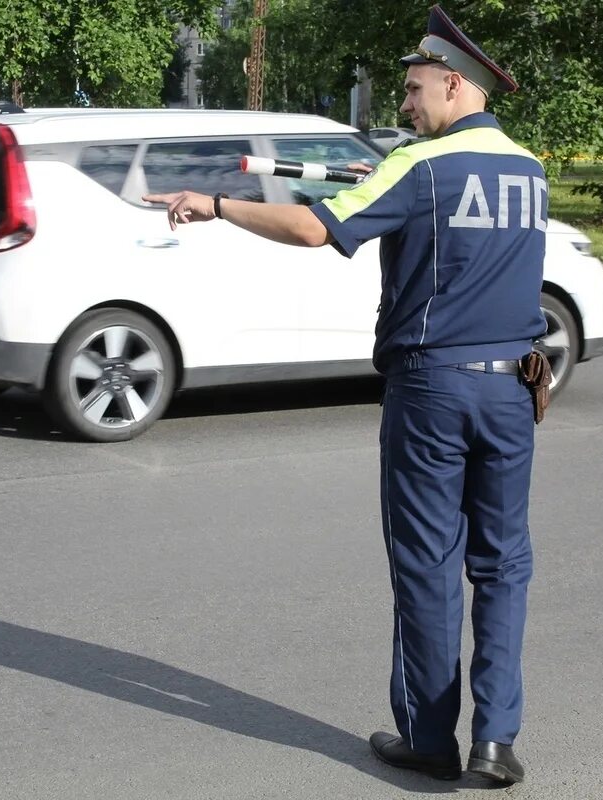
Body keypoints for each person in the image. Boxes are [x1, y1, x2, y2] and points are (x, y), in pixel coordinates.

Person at [143, 4, 546, 785]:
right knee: (504, 565)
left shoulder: (419, 167)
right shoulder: (528, 168)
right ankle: (497, 740)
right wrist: (388, 187)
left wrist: (216, 205)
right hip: (513, 390)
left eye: (414, 88)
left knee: (429, 565)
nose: (404, 102)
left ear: (455, 86)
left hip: (434, 389)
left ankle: (431, 741)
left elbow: (310, 229)